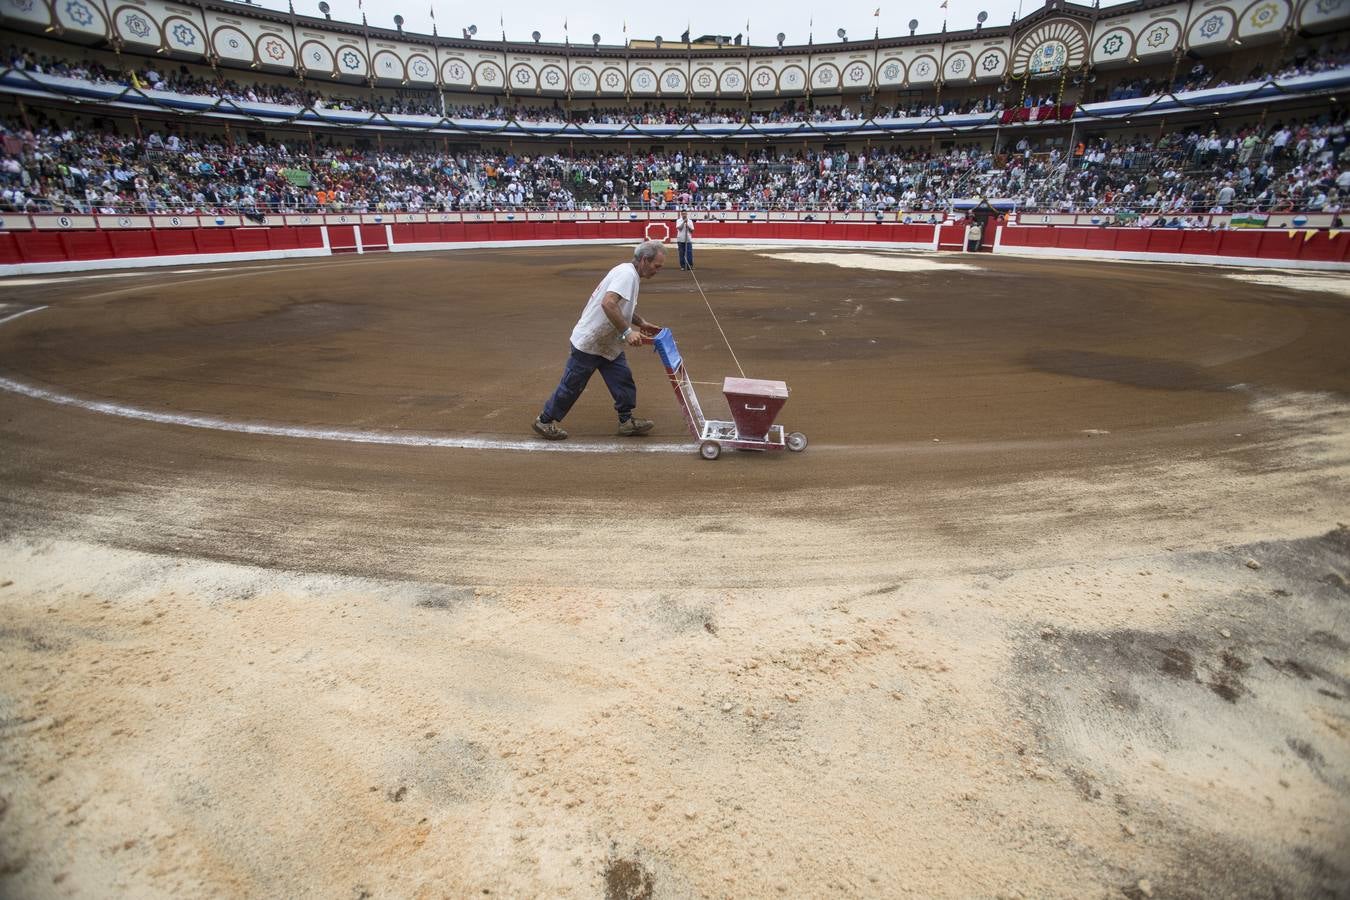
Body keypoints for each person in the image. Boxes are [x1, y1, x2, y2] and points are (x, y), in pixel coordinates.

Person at [532, 241, 666, 441]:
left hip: (607, 342)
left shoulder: (628, 273)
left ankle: (626, 421)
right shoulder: (627, 275)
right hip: (591, 342)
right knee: (572, 385)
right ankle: (544, 420)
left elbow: (620, 306)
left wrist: (641, 323)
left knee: (623, 380)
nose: (658, 270)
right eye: (657, 266)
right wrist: (627, 332)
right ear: (645, 260)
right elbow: (608, 303)